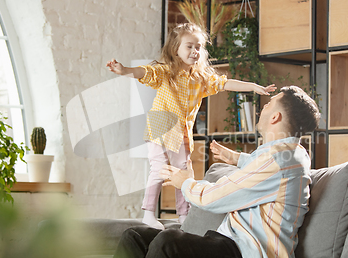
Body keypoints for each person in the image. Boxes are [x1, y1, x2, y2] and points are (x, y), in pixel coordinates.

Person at [104, 85, 321, 258]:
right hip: (232, 241)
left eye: (268, 104)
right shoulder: (290, 154)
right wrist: (238, 159)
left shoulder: (280, 160)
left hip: (254, 253)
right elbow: (263, 171)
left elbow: (214, 197)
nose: (262, 108)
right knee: (135, 237)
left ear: (276, 116)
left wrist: (185, 182)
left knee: (168, 242)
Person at [106, 23, 276, 230]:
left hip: (182, 131)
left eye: (198, 47)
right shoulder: (166, 72)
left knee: (184, 172)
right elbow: (144, 72)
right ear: (175, 48)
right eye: (189, 46)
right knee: (159, 168)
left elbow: (225, 83)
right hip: (160, 125)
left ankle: (183, 215)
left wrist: (253, 87)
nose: (195, 51)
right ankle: (148, 214)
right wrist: (124, 70)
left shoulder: (201, 78)